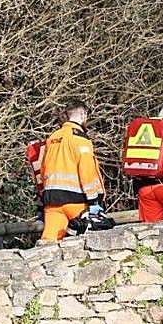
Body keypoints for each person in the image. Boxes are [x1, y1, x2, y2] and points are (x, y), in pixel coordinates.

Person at [37, 100, 105, 242]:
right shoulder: (80, 139)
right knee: (88, 241)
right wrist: (94, 201)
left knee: (48, 242)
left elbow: (43, 168)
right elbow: (87, 171)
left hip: (52, 200)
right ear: (83, 115)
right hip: (77, 201)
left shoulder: (52, 138)